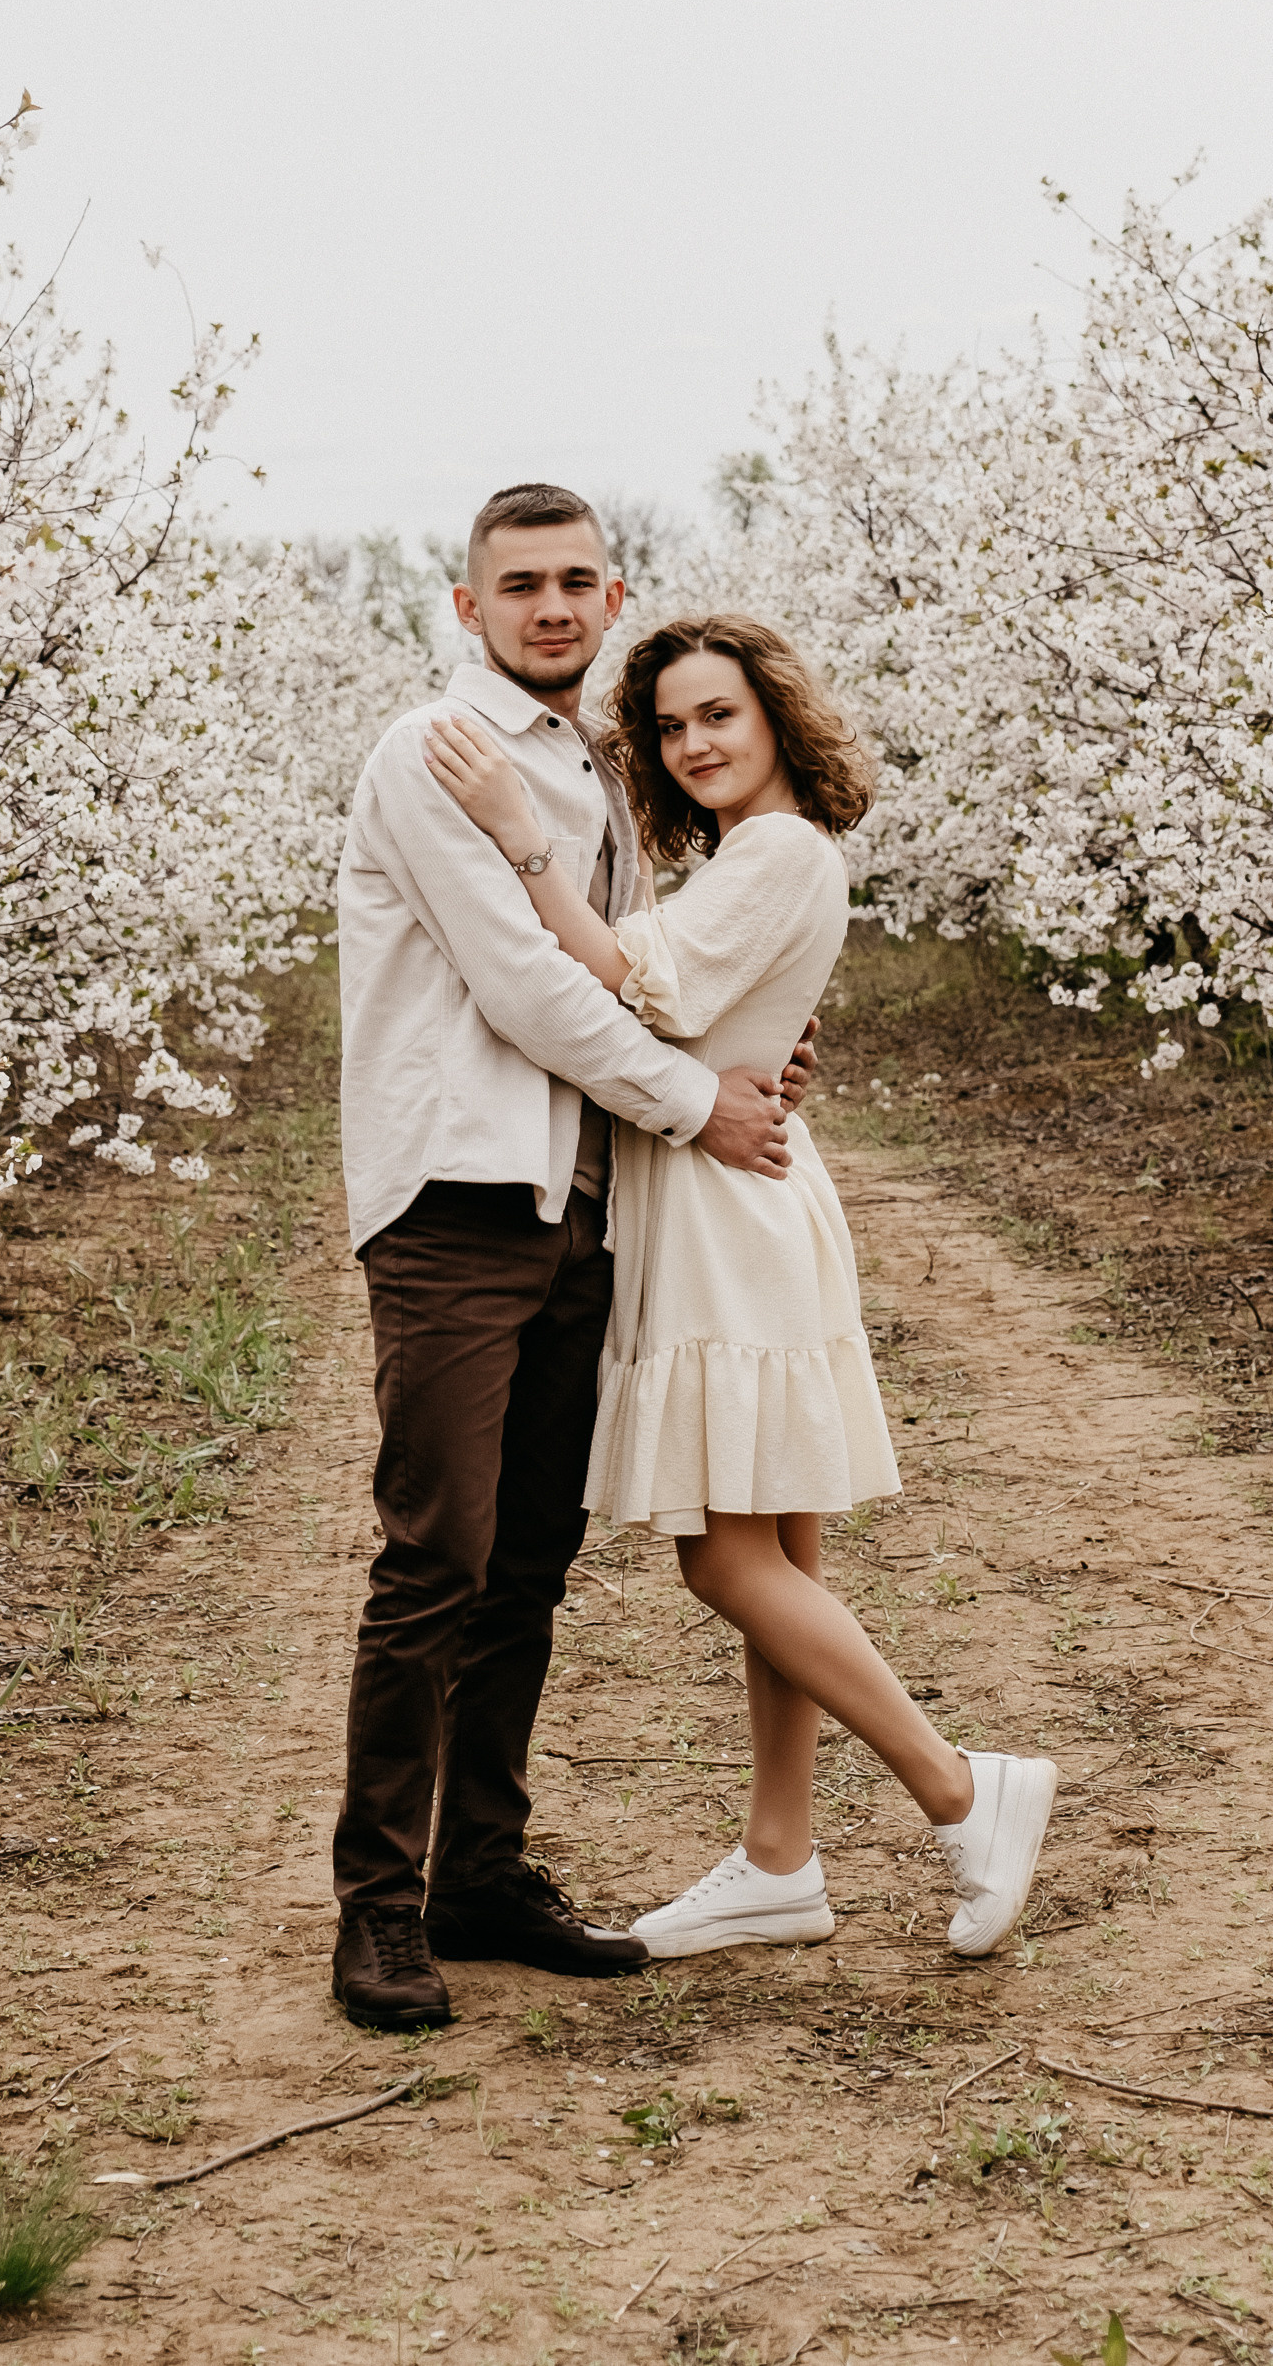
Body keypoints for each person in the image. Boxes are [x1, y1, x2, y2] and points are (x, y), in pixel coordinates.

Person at [424, 609, 1057, 1960]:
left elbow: (641, 988)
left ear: (773, 715)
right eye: (668, 726)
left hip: (724, 1214)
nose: (693, 741)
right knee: (782, 1550)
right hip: (738, 1197)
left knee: (724, 1557)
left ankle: (958, 1789)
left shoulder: (773, 849)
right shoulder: (750, 856)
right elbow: (703, 997)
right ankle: (779, 1861)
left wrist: (516, 839)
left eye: (718, 714)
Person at [330, 485, 813, 2032]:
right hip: (460, 1200)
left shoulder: (598, 774)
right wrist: (702, 1108)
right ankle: (378, 1908)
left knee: (526, 1566)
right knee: (434, 1558)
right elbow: (530, 987)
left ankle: (481, 1871)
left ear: (614, 604)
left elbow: (649, 979)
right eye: (518, 585)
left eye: (576, 584)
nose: (551, 607)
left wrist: (740, 1067)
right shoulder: (435, 757)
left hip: (581, 1202)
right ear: (465, 609)